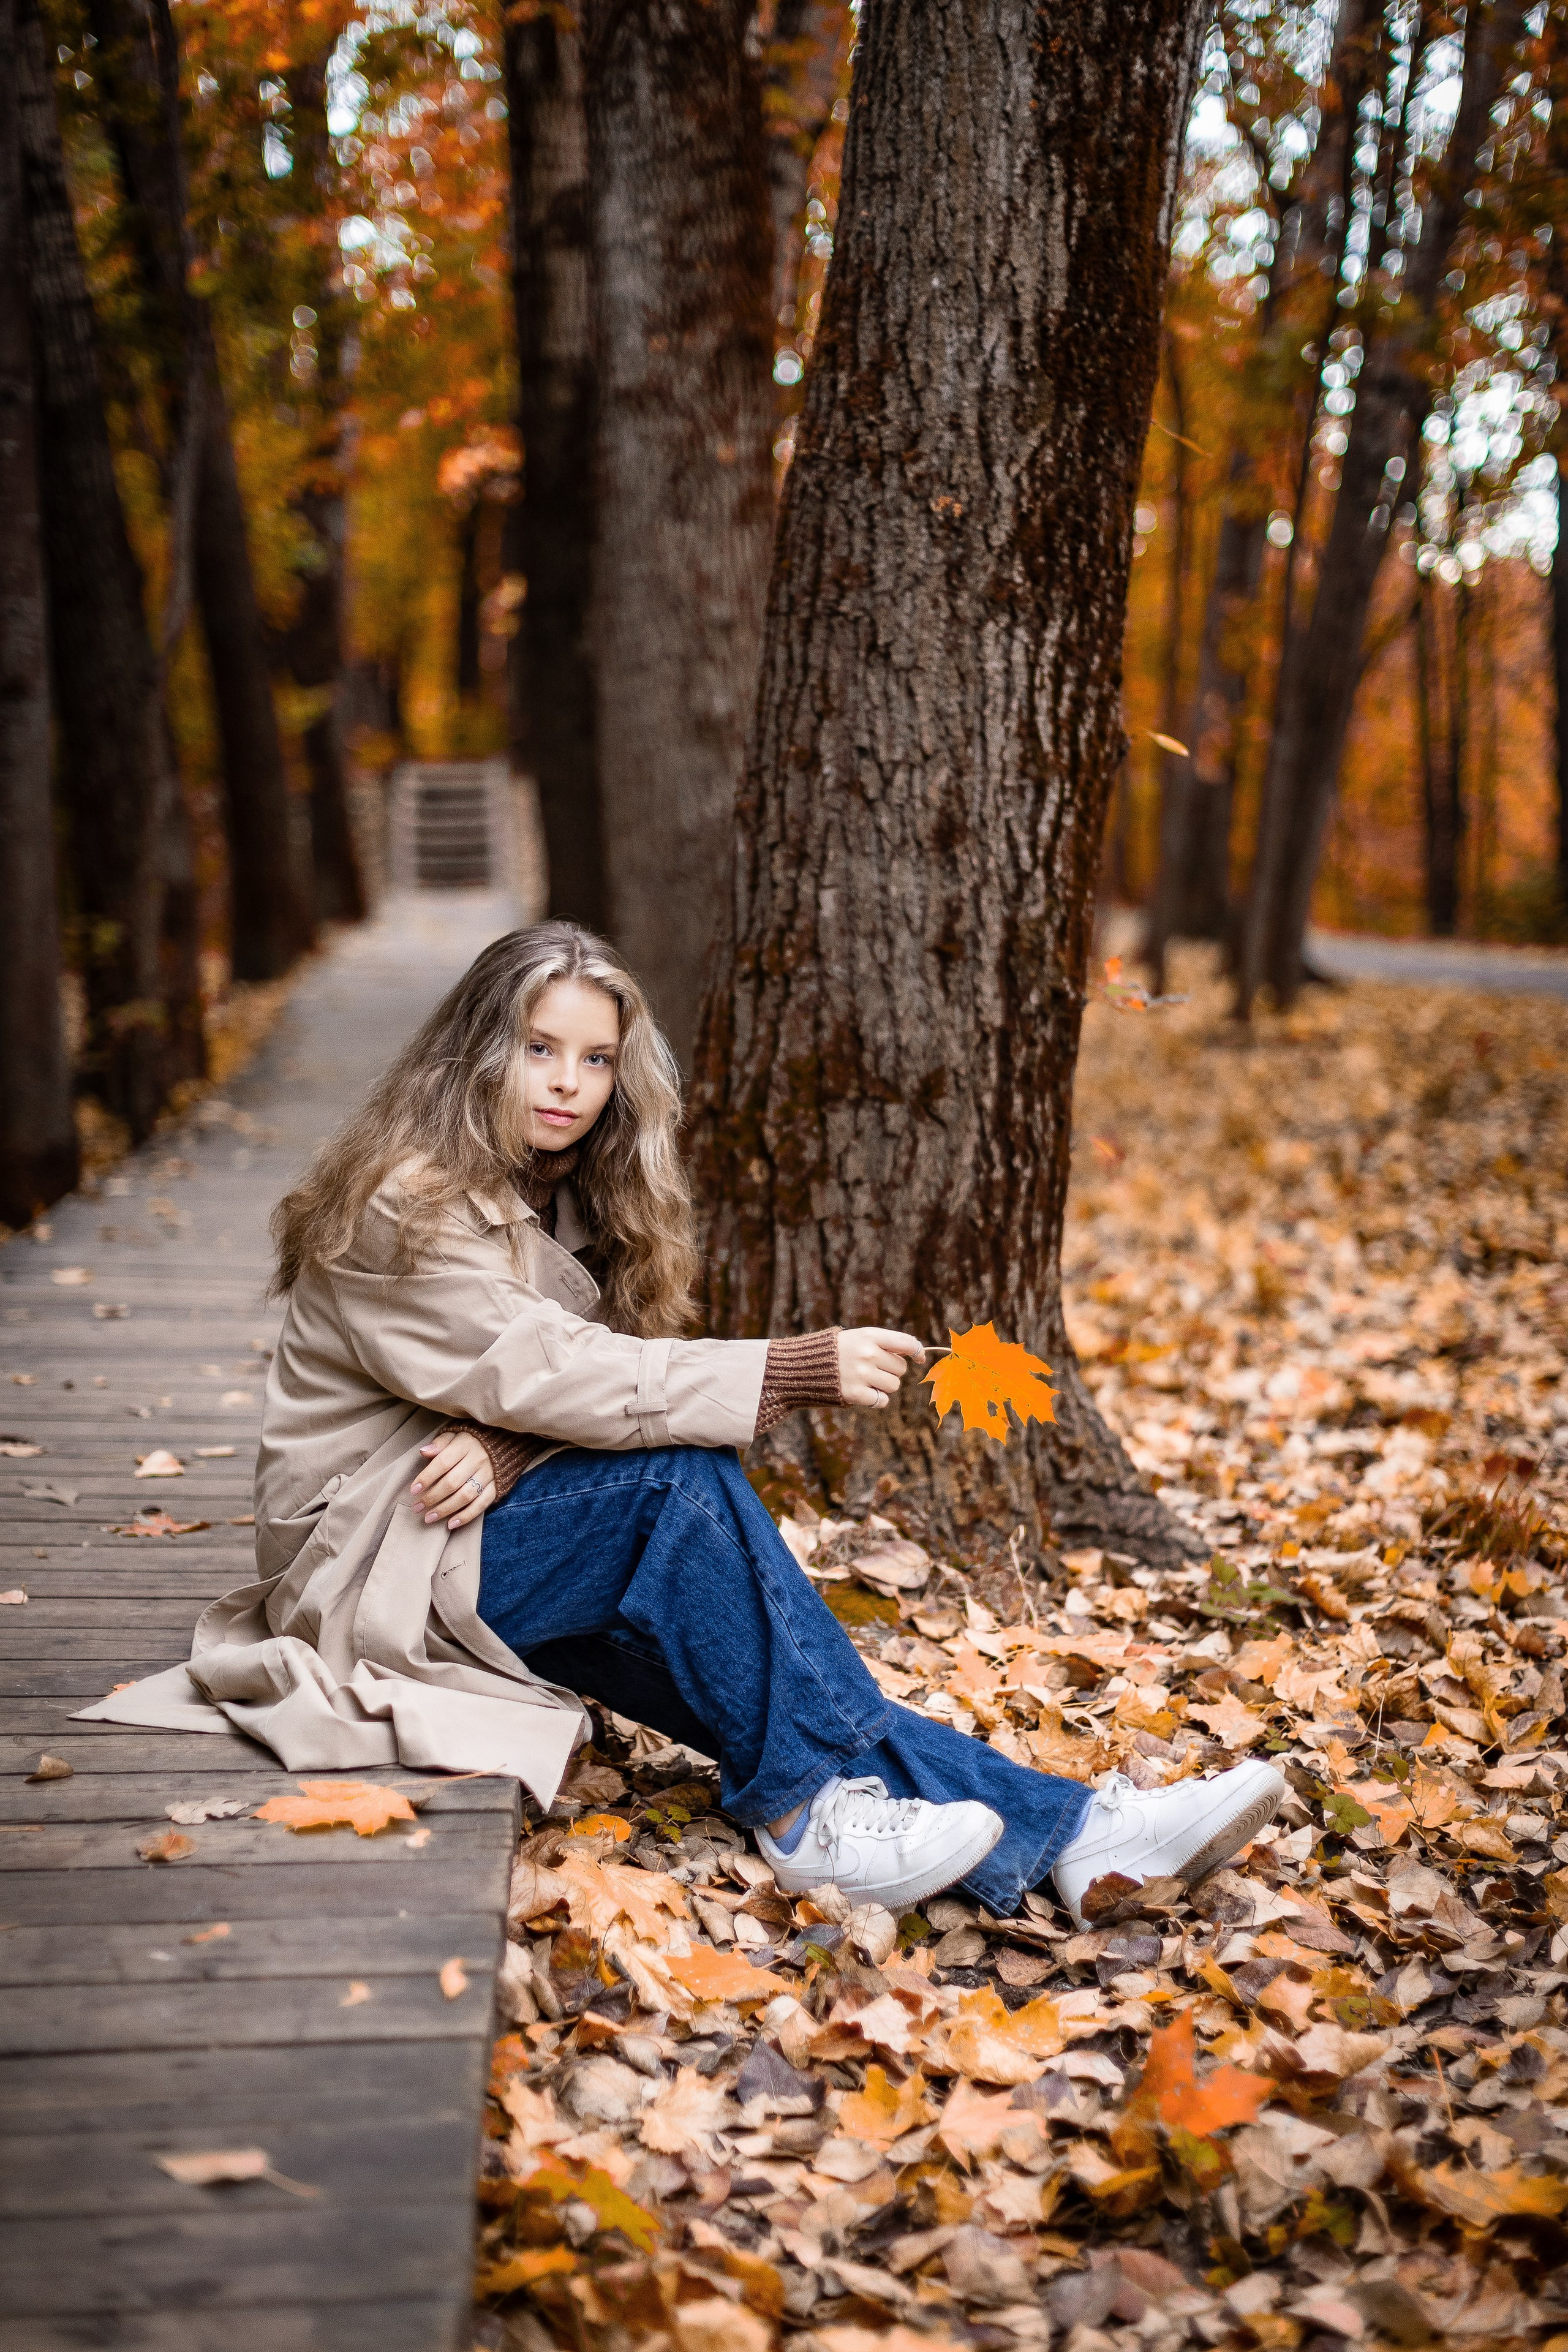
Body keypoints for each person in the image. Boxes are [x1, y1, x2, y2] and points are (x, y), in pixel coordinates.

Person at [89, 921, 1281, 1921]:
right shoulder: (407, 1203)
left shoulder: (562, 1199)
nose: (566, 1081)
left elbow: (544, 1387)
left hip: (482, 1545)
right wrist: (792, 1370)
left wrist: (511, 1445)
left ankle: (1073, 1838)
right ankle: (805, 1819)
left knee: (781, 1683)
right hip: (375, 1563)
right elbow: (553, 1372)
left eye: (595, 1059)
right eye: (537, 1048)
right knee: (679, 1485)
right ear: (473, 1053)